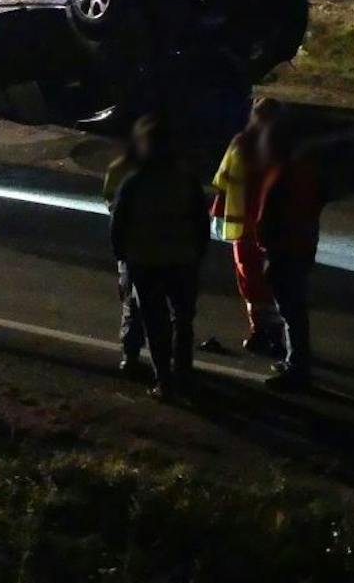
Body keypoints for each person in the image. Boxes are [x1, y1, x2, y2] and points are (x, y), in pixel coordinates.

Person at [109, 115, 210, 400]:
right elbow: (201, 221)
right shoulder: (186, 181)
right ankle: (184, 375)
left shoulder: (134, 183)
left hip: (146, 261)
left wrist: (123, 256)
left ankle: (164, 379)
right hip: (182, 260)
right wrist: (198, 252)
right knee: (183, 321)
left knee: (156, 324)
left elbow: (118, 224)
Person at [211, 97, 286, 359]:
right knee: (271, 280)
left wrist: (218, 214)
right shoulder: (283, 149)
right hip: (276, 227)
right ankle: (276, 333)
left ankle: (262, 331)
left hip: (244, 226)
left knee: (251, 280)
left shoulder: (241, 145)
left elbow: (222, 182)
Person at [257, 118, 326, 390]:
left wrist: (265, 247)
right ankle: (295, 360)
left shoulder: (279, 176)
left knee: (290, 310)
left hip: (283, 249)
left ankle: (297, 368)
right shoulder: (307, 172)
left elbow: (265, 221)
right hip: (304, 246)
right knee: (295, 308)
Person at [102, 135, 144, 379]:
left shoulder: (121, 171)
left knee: (133, 304)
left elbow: (112, 209)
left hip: (134, 251)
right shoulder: (169, 173)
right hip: (156, 251)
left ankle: (131, 355)